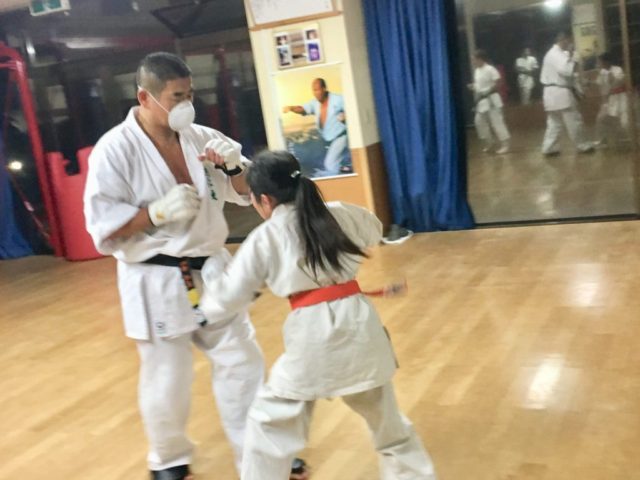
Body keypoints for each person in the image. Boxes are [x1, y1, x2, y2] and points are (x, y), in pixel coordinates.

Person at [83, 52, 307, 480]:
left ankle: (259, 451)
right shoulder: (114, 150)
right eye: (177, 96)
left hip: (214, 269)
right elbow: (102, 229)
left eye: (190, 94)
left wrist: (235, 167)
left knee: (242, 363)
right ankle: (168, 459)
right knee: (168, 377)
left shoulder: (202, 136)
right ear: (145, 98)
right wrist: (155, 214)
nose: (187, 103)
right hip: (156, 276)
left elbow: (246, 193)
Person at [199, 150, 437, 480]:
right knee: (390, 428)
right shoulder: (339, 213)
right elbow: (373, 229)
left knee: (269, 424)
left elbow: (230, 293)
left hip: (315, 337)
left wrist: (206, 304)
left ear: (264, 199)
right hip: (361, 327)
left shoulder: (268, 235)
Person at [282, 78, 353, 175]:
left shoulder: (338, 99)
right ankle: (346, 169)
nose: (315, 93)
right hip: (327, 139)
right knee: (325, 162)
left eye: (317, 90)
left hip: (341, 136)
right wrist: (291, 108)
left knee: (330, 164)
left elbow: (352, 108)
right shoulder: (314, 103)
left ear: (324, 89)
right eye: (314, 90)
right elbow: (303, 109)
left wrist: (346, 115)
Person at [540, 32, 594, 155]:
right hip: (560, 92)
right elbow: (566, 70)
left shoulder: (554, 53)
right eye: (569, 41)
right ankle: (583, 145)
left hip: (550, 92)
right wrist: (575, 58)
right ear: (563, 39)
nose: (570, 44)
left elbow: (567, 72)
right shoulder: (556, 53)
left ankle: (549, 148)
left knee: (554, 123)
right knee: (573, 120)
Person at [468, 49, 510, 154]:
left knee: (497, 122)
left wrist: (488, 91)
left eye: (474, 59)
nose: (472, 62)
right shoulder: (477, 71)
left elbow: (499, 83)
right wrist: (474, 86)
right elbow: (479, 85)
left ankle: (505, 145)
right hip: (481, 101)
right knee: (479, 122)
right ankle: (489, 142)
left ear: (480, 59)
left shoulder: (490, 69)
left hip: (492, 99)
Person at [595, 52, 630, 146]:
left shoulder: (617, 69)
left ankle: (630, 138)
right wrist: (603, 101)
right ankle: (604, 139)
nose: (598, 64)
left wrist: (608, 74)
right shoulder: (602, 72)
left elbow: (616, 83)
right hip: (609, 99)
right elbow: (600, 85)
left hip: (620, 97)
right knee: (601, 119)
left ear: (606, 62)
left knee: (624, 121)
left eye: (600, 62)